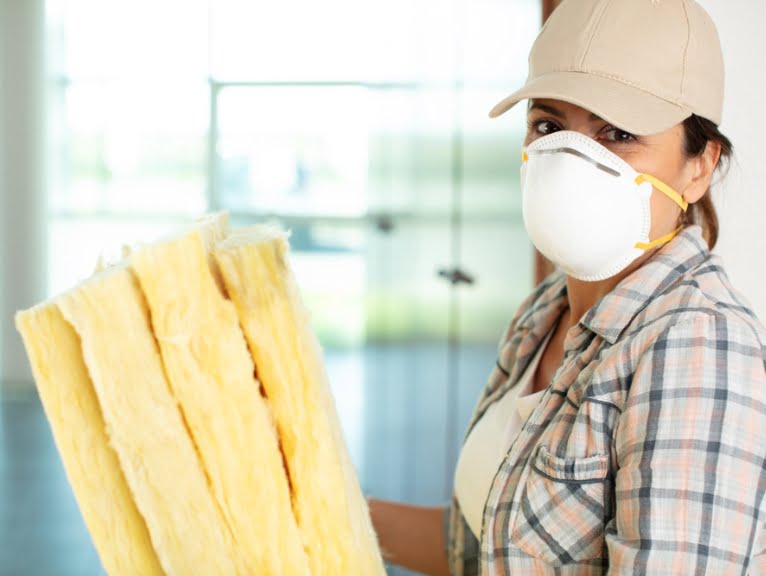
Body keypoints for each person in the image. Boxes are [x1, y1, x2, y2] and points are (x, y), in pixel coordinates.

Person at [368, 0, 766, 574]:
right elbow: (478, 547)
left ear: (700, 166)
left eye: (620, 133)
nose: (571, 161)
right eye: (548, 126)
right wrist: (302, 492)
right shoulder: (548, 309)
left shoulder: (698, 347)